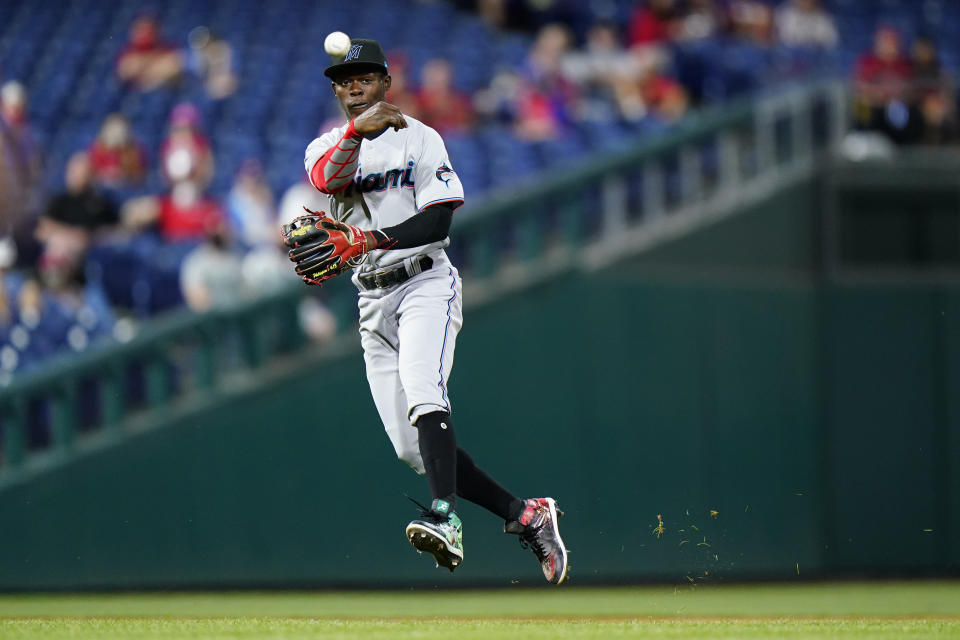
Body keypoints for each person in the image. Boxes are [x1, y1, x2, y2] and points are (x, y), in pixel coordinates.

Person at [288, 38, 568, 584]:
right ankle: (528, 515)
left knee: (424, 392)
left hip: (425, 284)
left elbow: (438, 221)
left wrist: (367, 239)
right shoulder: (325, 145)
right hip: (371, 302)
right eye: (344, 81)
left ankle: (446, 517)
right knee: (413, 450)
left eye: (365, 78)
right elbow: (326, 180)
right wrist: (353, 132)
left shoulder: (421, 139)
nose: (354, 87)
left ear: (386, 83)